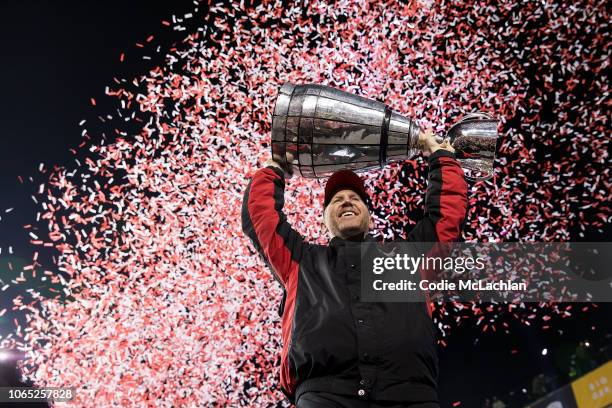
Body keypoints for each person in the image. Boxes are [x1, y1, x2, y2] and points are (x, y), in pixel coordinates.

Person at [241, 128, 468, 407]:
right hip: (325, 396)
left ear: (370, 219)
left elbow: (445, 217)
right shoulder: (300, 261)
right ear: (326, 221)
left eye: (355, 198)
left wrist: (439, 155)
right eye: (336, 200)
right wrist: (275, 169)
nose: (346, 200)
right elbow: (262, 219)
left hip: (409, 395)